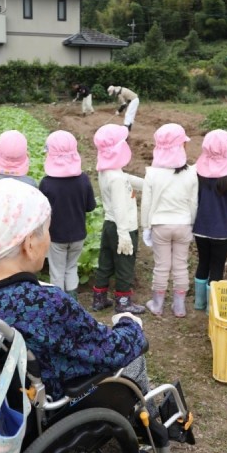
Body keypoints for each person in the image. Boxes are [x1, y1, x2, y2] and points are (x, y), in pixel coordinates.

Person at [0, 178, 147, 403]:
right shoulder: (44, 304)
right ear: (28, 244)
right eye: (47, 230)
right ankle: (151, 424)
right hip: (48, 403)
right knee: (135, 357)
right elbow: (112, 350)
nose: (49, 239)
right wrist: (129, 323)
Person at [141, 123, 198, 318]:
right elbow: (194, 203)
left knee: (161, 265)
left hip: (160, 225)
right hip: (183, 225)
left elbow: (147, 205)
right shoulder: (191, 172)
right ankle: (179, 306)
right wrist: (192, 224)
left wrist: (146, 227)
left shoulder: (152, 173)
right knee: (181, 265)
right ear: (182, 146)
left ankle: (157, 304)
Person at [92, 124, 145, 314]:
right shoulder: (117, 180)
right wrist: (124, 235)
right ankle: (123, 302)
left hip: (109, 224)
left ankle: (99, 298)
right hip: (123, 227)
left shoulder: (107, 171)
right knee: (125, 265)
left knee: (105, 261)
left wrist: (148, 183)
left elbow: (126, 177)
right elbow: (120, 207)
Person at [39, 130, 96, 299]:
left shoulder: (47, 183)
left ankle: (59, 305)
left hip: (56, 237)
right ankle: (73, 302)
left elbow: (41, 213)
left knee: (57, 271)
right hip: (78, 235)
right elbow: (90, 207)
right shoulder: (84, 179)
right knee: (71, 268)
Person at [193, 129, 227, 313]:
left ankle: (199, 303)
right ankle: (211, 308)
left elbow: (195, 200)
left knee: (203, 261)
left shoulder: (198, 175)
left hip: (200, 227)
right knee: (217, 266)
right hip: (221, 231)